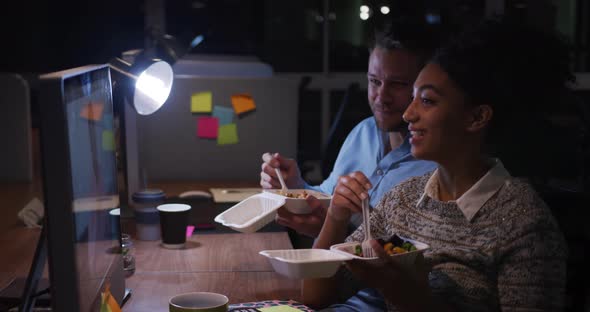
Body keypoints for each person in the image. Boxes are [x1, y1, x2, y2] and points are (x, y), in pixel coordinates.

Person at [304, 19, 571, 311]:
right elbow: (316, 297)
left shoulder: (524, 224)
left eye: (427, 101)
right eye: (413, 97)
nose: (407, 114)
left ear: (476, 118)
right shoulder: (403, 199)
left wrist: (399, 288)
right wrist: (336, 216)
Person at [260, 19, 438, 239]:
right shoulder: (364, 131)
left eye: (398, 84)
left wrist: (336, 231)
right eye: (374, 81)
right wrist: (295, 185)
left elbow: (407, 257)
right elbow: (329, 196)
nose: (381, 97)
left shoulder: (437, 163)